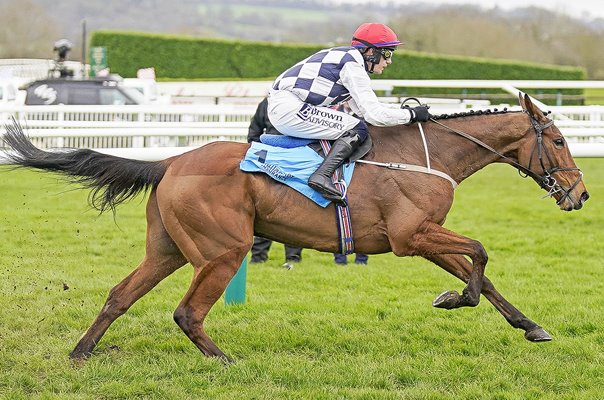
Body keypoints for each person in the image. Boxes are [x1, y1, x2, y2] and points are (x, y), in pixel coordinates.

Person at [267, 22, 431, 204]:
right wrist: (412, 116)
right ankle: (321, 176)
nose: (389, 61)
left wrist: (403, 111)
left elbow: (362, 109)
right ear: (370, 51)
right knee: (357, 128)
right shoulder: (352, 66)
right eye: (387, 53)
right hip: (289, 107)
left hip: (286, 105)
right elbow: (374, 115)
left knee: (355, 123)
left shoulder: (348, 59)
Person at [247, 97, 303, 269]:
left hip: (294, 161)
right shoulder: (267, 103)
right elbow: (253, 134)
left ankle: (293, 257)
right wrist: (263, 159)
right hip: (270, 160)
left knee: (295, 207)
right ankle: (258, 256)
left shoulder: (302, 103)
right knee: (265, 207)